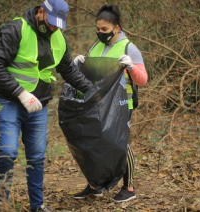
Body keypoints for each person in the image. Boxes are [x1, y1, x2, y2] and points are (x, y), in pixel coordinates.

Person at [0, 0, 93, 211]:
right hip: (9, 101)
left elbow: (68, 69)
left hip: (39, 106)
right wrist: (20, 93)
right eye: (52, 22)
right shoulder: (16, 29)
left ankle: (37, 206)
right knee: (8, 151)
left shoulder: (59, 38)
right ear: (41, 11)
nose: (54, 27)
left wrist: (93, 91)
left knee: (36, 156)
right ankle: (1, 204)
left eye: (58, 24)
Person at [72, 4, 148, 203]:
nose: (100, 33)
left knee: (120, 143)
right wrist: (80, 65)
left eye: (104, 29)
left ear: (116, 27)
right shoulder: (95, 47)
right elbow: (92, 76)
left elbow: (142, 80)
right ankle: (95, 185)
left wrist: (131, 67)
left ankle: (129, 187)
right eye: (97, 29)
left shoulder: (128, 47)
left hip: (122, 104)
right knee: (94, 143)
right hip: (98, 104)